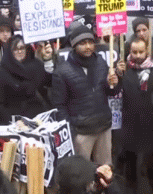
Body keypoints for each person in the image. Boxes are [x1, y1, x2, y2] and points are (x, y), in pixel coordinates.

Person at [52, 25, 121, 165]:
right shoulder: (62, 71)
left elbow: (111, 92)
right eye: (83, 43)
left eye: (90, 42)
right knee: (83, 175)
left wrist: (114, 82)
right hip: (81, 132)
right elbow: (59, 105)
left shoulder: (101, 62)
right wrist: (71, 131)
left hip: (103, 127)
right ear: (74, 46)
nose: (88, 47)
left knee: (105, 171)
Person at [120, 36, 153, 194]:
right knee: (130, 157)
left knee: (152, 157)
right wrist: (116, 76)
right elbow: (115, 91)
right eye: (134, 52)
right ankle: (130, 187)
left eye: (141, 51)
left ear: (147, 51)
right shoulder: (123, 70)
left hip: (151, 120)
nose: (138, 55)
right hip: (130, 119)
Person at [0, 36, 51, 124]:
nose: (20, 52)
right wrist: (12, 121)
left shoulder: (36, 65)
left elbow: (48, 84)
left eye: (22, 48)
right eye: (15, 49)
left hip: (39, 118)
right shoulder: (2, 73)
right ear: (10, 52)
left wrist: (48, 60)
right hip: (16, 122)